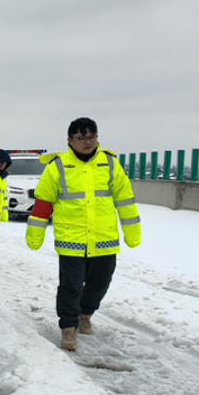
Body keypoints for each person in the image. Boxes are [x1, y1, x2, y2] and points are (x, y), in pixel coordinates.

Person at [25, 118, 141, 351]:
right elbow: (42, 205)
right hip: (71, 239)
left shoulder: (110, 164)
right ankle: (68, 328)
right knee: (71, 286)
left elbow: (125, 201)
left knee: (100, 283)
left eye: (92, 137)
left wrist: (132, 232)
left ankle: (84, 315)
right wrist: (35, 236)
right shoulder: (56, 167)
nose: (88, 142)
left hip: (104, 238)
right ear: (70, 140)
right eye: (82, 138)